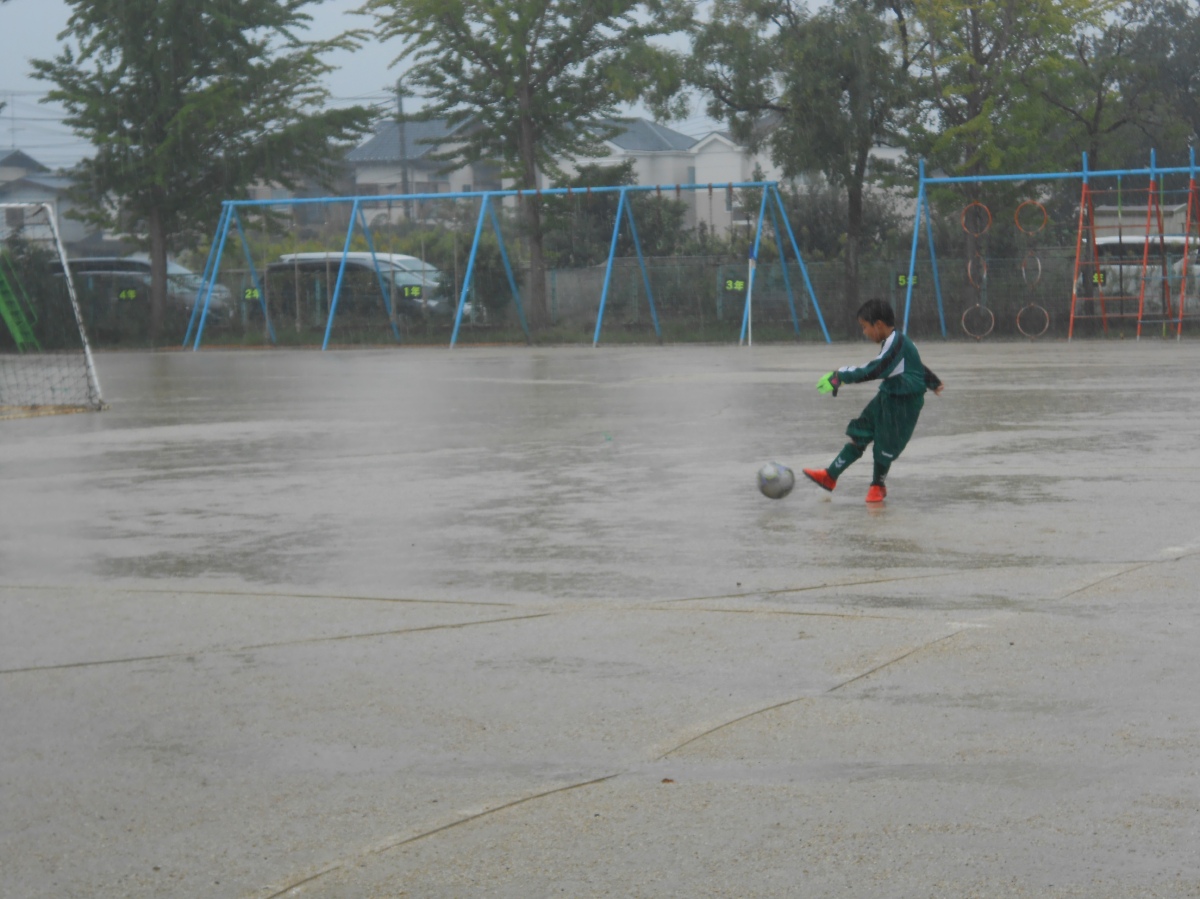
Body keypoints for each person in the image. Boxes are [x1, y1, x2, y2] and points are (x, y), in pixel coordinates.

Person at [802, 298, 943, 504]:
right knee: (862, 430)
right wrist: (933, 381)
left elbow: (875, 369)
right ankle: (830, 476)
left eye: (864, 327)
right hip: (889, 394)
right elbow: (914, 364)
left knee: (885, 444)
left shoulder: (896, 343)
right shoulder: (896, 342)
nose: (864, 332)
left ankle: (877, 486)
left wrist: (839, 377)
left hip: (904, 401)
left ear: (878, 325)